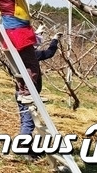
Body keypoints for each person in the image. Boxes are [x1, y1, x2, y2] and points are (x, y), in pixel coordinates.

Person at [17, 27, 63, 159]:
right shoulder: (32, 55)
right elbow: (49, 53)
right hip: (29, 93)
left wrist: (38, 32)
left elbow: (30, 42)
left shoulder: (18, 52)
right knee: (28, 122)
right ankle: (23, 149)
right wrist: (55, 40)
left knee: (25, 121)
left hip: (19, 91)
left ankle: (26, 146)